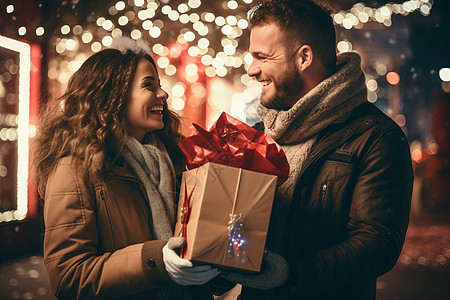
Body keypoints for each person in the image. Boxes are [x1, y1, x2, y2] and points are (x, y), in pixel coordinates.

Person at [220, 0, 414, 299]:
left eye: (262, 56)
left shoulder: (376, 136)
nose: (252, 69)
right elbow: (238, 233)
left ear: (304, 57)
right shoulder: (258, 137)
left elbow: (376, 244)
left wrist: (290, 273)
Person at [33, 37, 222, 299]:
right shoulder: (74, 169)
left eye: (160, 85)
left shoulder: (177, 160)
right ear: (114, 96)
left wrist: (217, 267)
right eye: (148, 86)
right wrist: (155, 263)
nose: (163, 95)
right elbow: (69, 276)